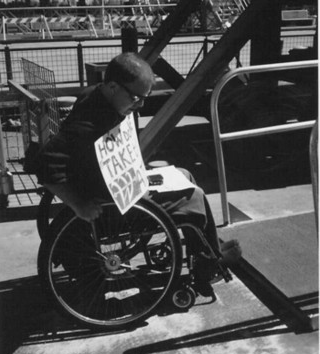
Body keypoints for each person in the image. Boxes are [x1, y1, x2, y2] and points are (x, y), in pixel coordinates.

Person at [34, 52, 241, 296]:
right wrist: (79, 204)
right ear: (112, 87)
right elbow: (46, 163)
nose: (140, 104)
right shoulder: (89, 120)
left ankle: (210, 250)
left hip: (116, 185)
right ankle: (207, 263)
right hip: (112, 206)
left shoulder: (96, 97)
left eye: (145, 97)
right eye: (135, 97)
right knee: (193, 197)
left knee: (184, 174)